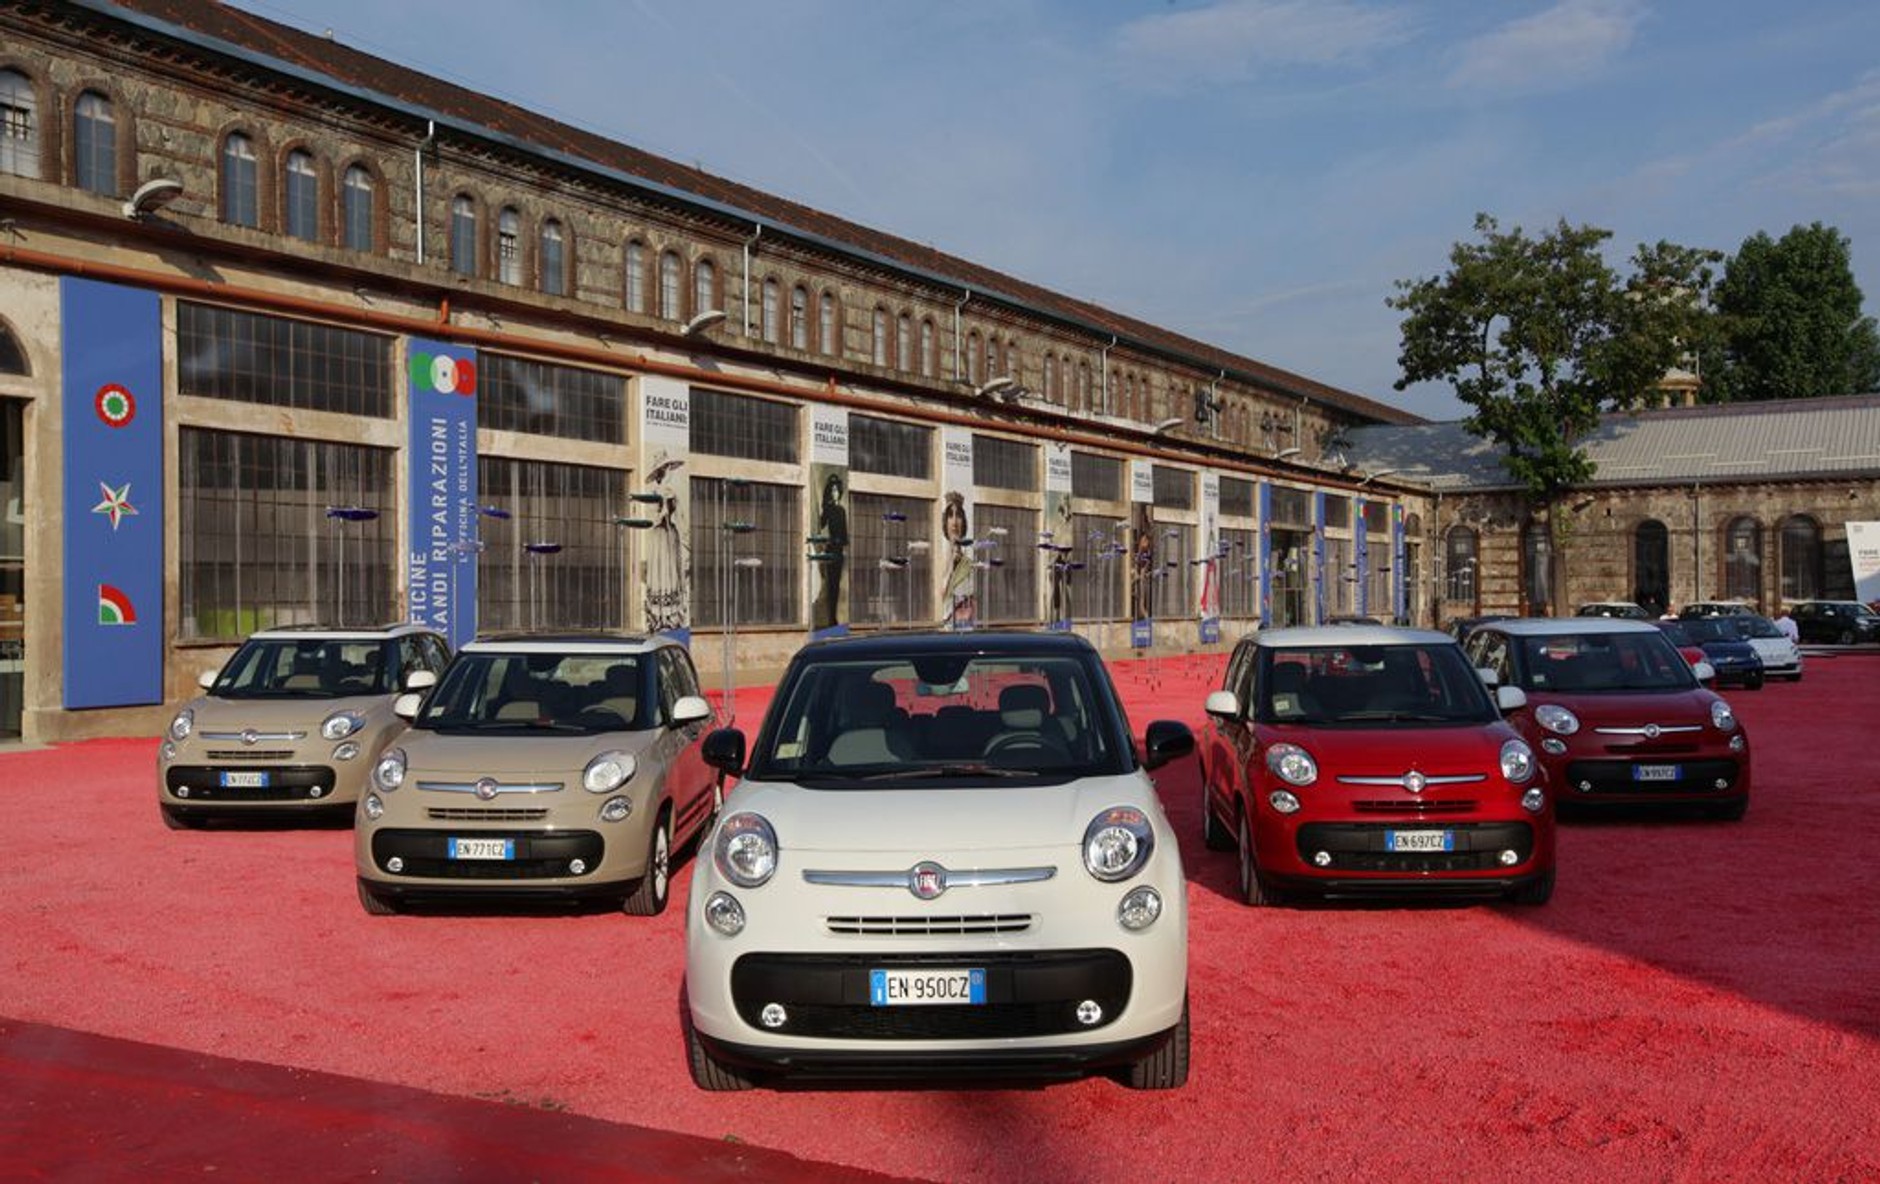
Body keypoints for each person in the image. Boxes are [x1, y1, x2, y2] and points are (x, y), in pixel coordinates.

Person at [811, 472, 848, 631]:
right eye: (832, 490)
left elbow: (845, 534)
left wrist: (842, 543)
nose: (835, 493)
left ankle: (834, 617)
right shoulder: (829, 509)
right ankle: (830, 618)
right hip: (831, 549)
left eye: (836, 490)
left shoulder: (842, 510)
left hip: (839, 551)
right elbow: (819, 525)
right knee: (830, 584)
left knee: (836, 585)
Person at [940, 491, 974, 628]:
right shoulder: (939, 560)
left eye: (958, 516)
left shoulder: (969, 564)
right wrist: (951, 564)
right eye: (950, 516)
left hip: (965, 626)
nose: (954, 522)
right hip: (946, 626)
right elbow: (941, 594)